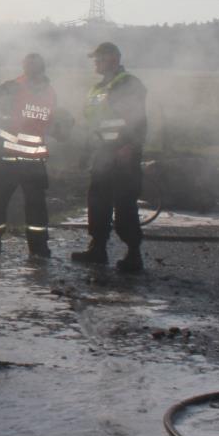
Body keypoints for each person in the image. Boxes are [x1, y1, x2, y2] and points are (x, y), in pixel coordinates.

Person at [0, 53, 64, 259]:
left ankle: (35, 247)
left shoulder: (47, 92)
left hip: (23, 160)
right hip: (12, 158)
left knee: (31, 206)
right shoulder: (16, 87)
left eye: (31, 66)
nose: (29, 69)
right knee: (0, 202)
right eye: (28, 66)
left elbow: (49, 122)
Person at [73, 42, 148, 273]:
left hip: (122, 152)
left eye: (99, 59)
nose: (95, 63)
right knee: (98, 201)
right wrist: (87, 150)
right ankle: (98, 248)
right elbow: (94, 122)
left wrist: (129, 146)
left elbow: (137, 119)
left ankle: (133, 254)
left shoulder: (127, 84)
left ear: (113, 59)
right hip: (102, 153)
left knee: (124, 203)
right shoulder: (98, 88)